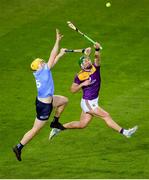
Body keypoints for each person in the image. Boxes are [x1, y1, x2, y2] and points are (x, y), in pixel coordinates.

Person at [49, 42, 138, 139]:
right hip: (88, 102)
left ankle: (59, 128)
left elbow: (97, 58)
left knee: (82, 124)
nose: (87, 61)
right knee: (106, 116)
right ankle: (125, 132)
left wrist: (97, 49)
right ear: (82, 66)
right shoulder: (80, 76)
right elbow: (72, 90)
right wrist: (82, 84)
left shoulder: (95, 68)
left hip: (93, 101)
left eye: (88, 60)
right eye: (85, 61)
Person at [13, 29, 68, 161]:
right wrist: (57, 41)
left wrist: (60, 55)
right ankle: (19, 146)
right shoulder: (43, 71)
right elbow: (51, 56)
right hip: (44, 106)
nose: (43, 62)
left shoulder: (41, 72)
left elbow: (51, 63)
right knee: (35, 129)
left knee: (64, 100)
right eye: (41, 62)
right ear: (39, 66)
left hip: (47, 101)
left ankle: (55, 122)